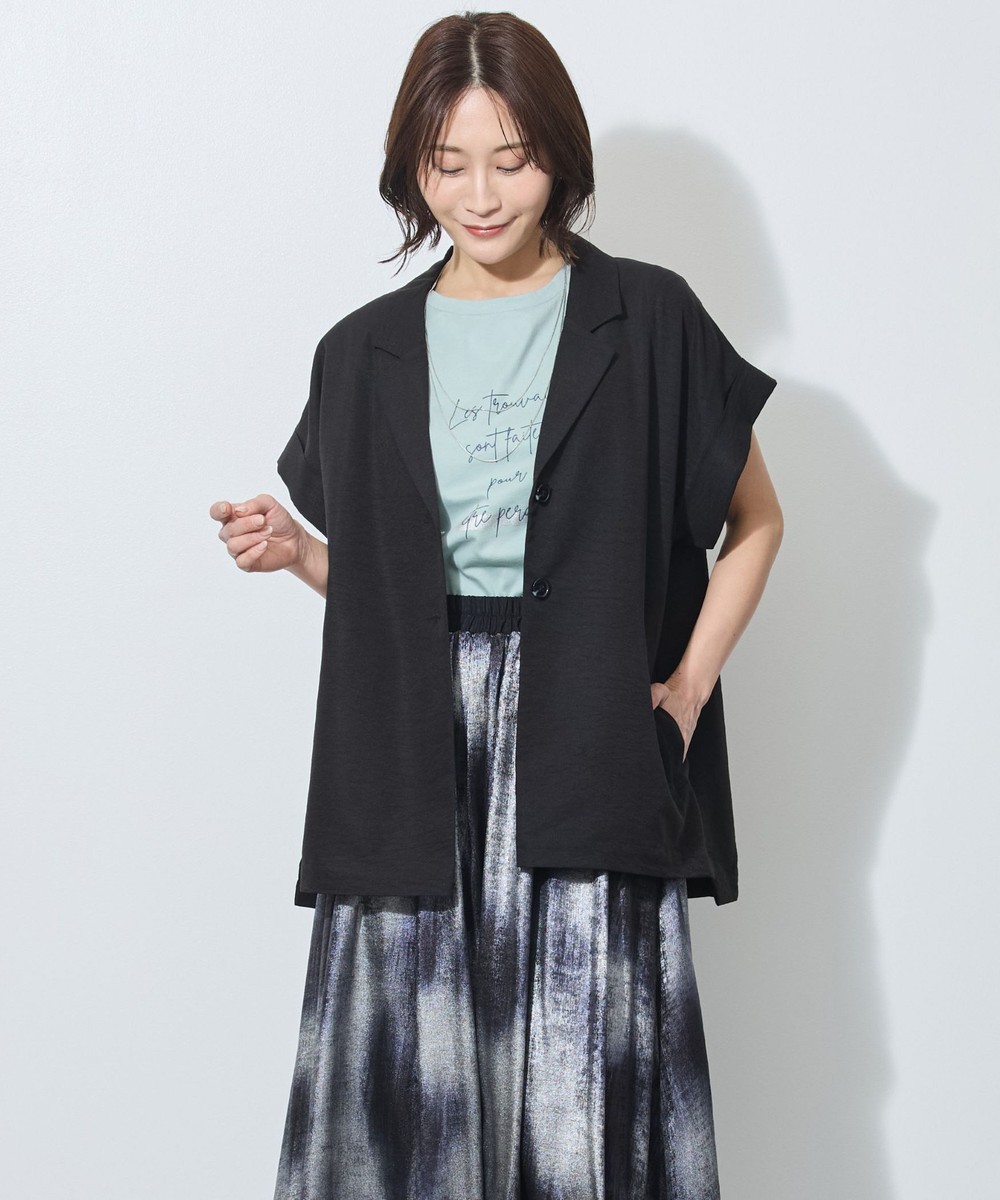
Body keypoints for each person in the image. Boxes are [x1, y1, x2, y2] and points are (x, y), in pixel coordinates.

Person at [210, 11, 782, 1198]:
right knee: (411, 1087)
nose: (479, 196)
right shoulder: (363, 353)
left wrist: (683, 691)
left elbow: (757, 521)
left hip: (588, 732)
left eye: (510, 161)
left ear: (557, 157)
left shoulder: (649, 320)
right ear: (410, 168)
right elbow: (394, 598)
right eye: (448, 164)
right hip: (410, 752)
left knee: (579, 1082)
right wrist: (301, 552)